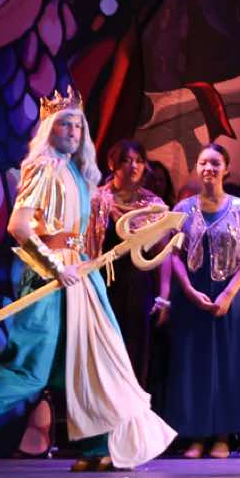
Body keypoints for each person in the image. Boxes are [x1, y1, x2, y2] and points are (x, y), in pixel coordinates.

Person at [0, 91, 174, 471]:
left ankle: (97, 447)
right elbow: (19, 226)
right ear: (49, 129)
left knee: (91, 361)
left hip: (81, 275)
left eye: (77, 125)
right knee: (30, 369)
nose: (73, 131)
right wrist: (55, 267)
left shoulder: (78, 173)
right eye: (64, 124)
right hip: (50, 277)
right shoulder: (43, 167)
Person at [159, 142, 240, 457]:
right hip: (192, 291)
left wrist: (229, 293)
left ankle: (222, 436)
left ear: (226, 169)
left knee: (229, 361)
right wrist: (189, 291)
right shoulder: (182, 209)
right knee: (194, 362)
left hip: (231, 293)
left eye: (215, 163)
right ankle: (197, 435)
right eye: (204, 162)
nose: (209, 168)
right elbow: (173, 255)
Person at [89, 138, 169, 393]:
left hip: (138, 286)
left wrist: (164, 296)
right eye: (126, 160)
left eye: (139, 161)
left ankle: (131, 411)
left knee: (135, 350)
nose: (133, 166)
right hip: (102, 284)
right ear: (112, 164)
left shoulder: (153, 205)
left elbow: (164, 253)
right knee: (102, 349)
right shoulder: (96, 200)